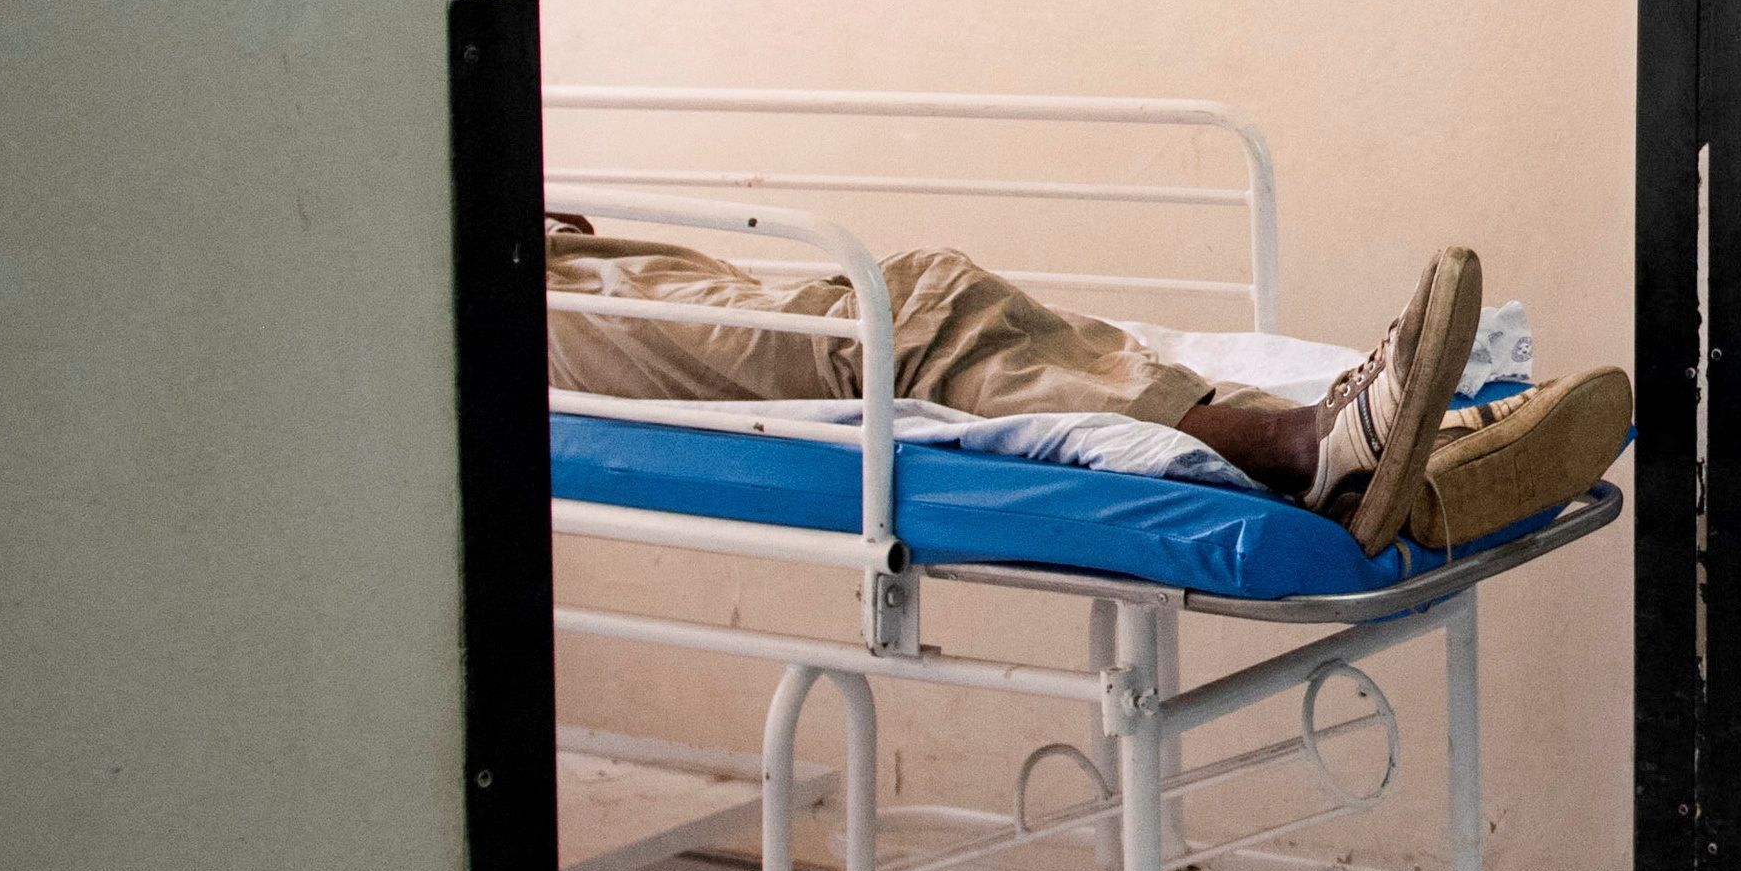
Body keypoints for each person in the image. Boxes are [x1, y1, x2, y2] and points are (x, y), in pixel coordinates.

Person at [544, 224, 1632, 559]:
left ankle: (1407, 448)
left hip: (546, 244)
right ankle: (1318, 451)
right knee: (903, 324)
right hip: (507, 300)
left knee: (946, 322)